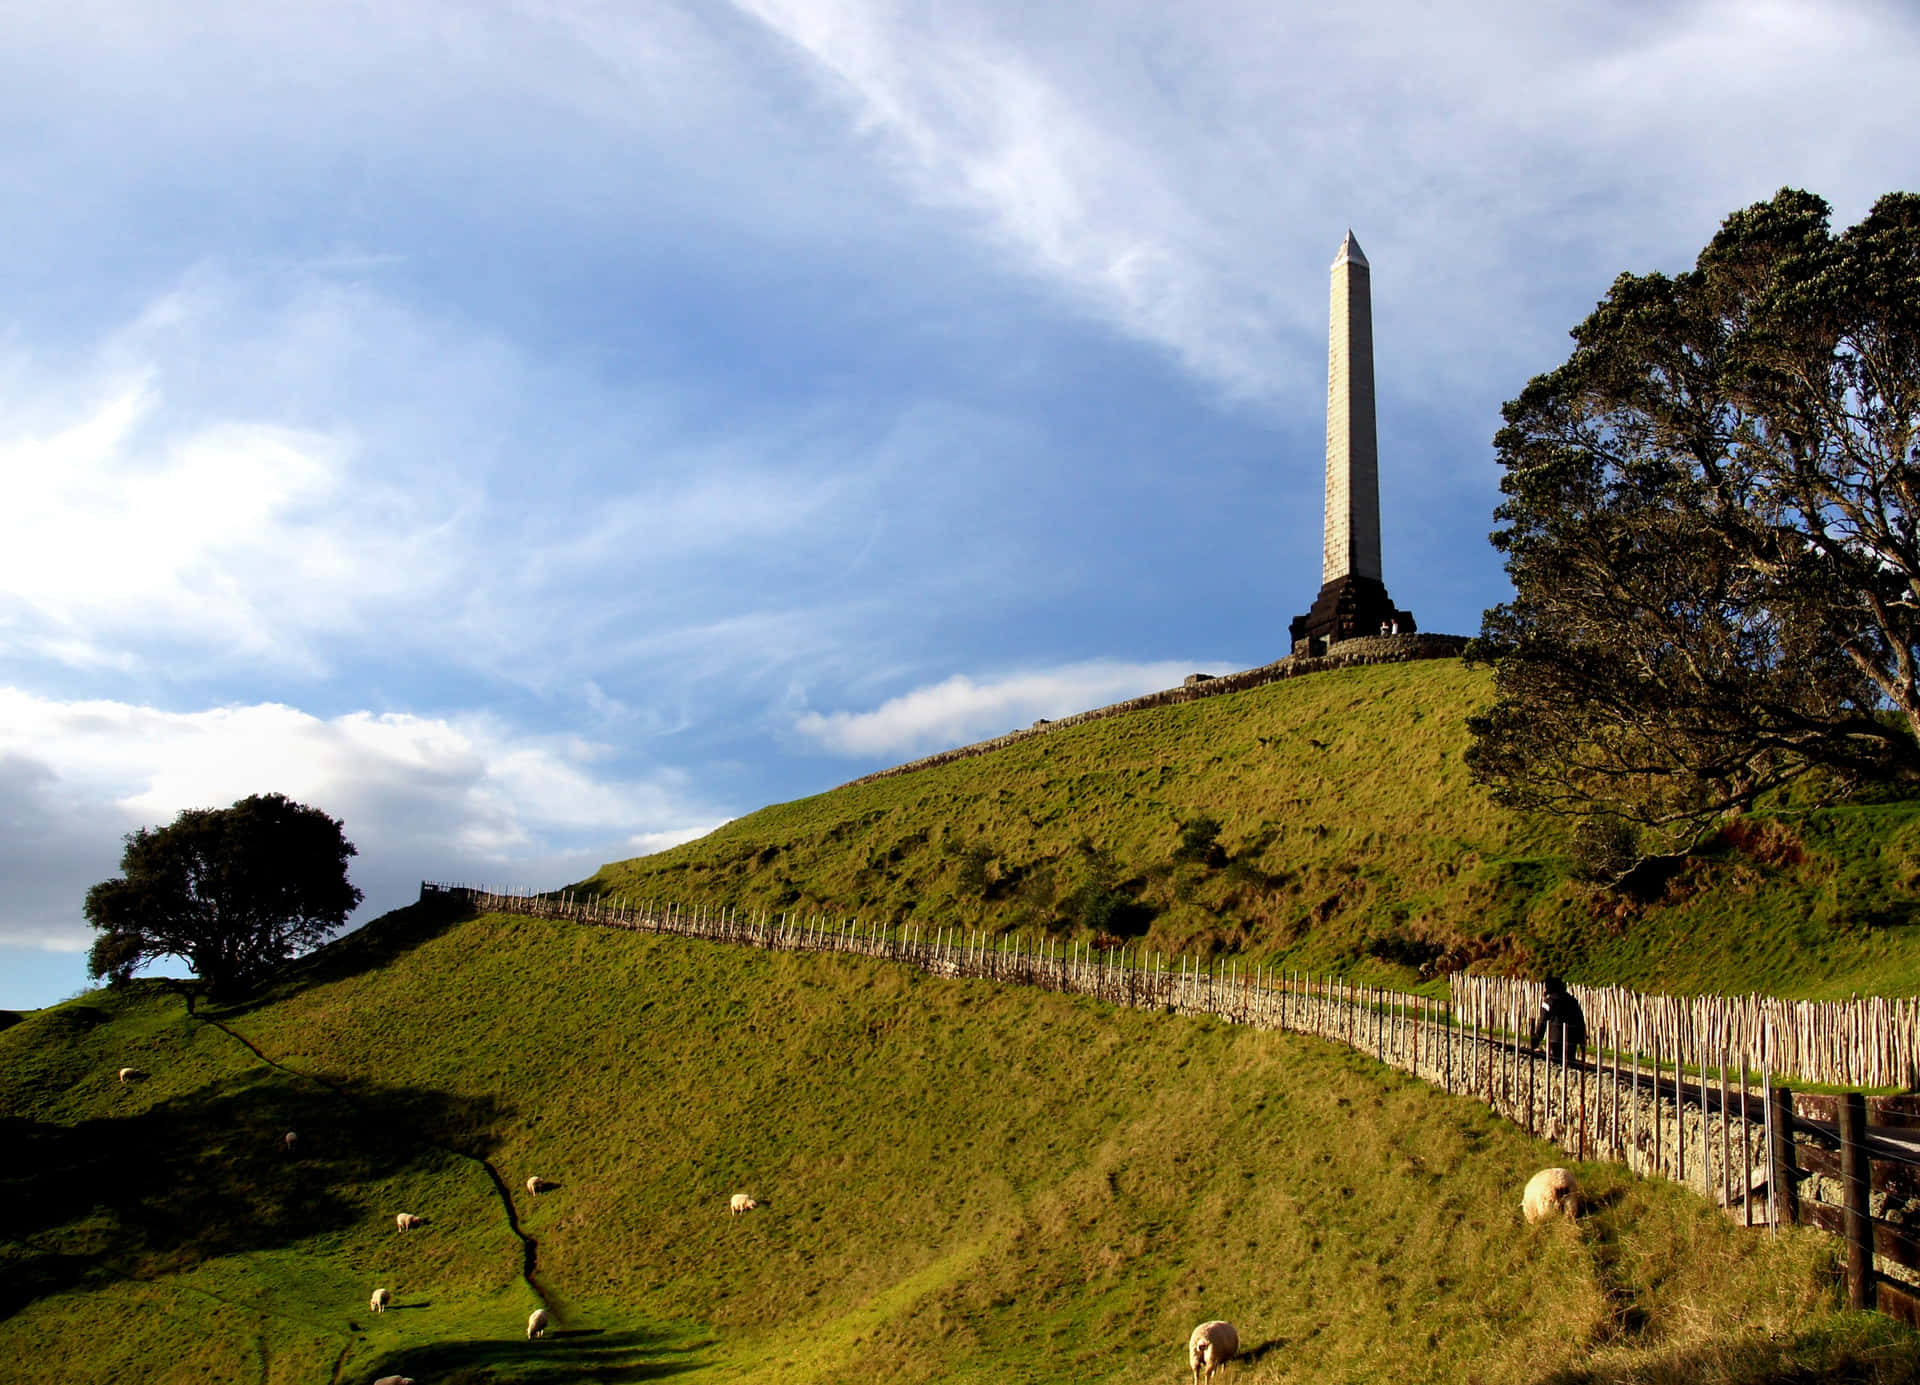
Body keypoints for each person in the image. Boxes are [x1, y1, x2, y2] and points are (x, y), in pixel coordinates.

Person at [1527, 976, 1587, 1061]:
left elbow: (1542, 1022)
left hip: (1556, 1039)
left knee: (1557, 1062)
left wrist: (1536, 1041)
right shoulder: (1573, 1001)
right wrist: (1582, 1041)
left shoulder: (1548, 1002)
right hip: (1572, 1040)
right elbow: (1580, 1021)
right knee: (1570, 1061)